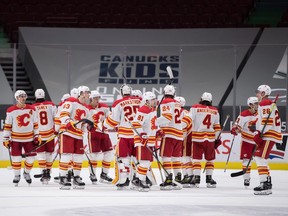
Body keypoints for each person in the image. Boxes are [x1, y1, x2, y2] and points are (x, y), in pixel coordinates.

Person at [104, 84, 141, 190]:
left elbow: (113, 121)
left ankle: (125, 180)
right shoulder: (140, 101)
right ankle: (138, 179)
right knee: (138, 159)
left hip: (125, 135)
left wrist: (105, 124)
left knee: (124, 159)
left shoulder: (118, 103)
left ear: (121, 92)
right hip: (138, 134)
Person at [2, 90, 40, 186]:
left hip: (29, 139)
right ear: (17, 98)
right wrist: (6, 138)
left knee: (31, 159)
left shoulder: (32, 109)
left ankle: (26, 173)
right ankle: (17, 175)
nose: (23, 98)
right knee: (16, 158)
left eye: (24, 96)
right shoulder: (11, 110)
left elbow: (35, 124)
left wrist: (37, 135)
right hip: (16, 139)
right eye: (20, 96)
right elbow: (8, 125)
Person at [186, 92, 221, 188]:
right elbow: (217, 127)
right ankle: (209, 179)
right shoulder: (215, 110)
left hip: (197, 138)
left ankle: (196, 178)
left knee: (196, 159)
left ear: (201, 99)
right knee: (210, 159)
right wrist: (216, 139)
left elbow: (188, 120)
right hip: (210, 139)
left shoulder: (195, 107)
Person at [251, 85, 282, 195]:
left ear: (263, 93)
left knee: (259, 157)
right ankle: (267, 183)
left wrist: (259, 133)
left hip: (268, 135)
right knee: (261, 158)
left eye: (258, 92)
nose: (257, 94)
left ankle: (264, 184)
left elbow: (267, 122)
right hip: (269, 134)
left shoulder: (264, 103)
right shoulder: (268, 103)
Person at [58, 85, 90, 190]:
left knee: (79, 157)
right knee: (66, 155)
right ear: (81, 93)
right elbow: (63, 115)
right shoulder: (71, 101)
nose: (88, 94)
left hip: (78, 135)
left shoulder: (86, 108)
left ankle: (76, 177)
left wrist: (88, 128)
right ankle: (63, 177)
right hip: (68, 133)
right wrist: (69, 122)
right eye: (87, 92)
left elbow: (84, 124)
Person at [156, 85, 183, 190]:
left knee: (166, 157)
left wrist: (154, 121)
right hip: (179, 134)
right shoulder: (177, 103)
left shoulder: (166, 101)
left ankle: (168, 179)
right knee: (176, 157)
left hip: (169, 134)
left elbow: (167, 117)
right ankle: (177, 178)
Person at [131, 91, 158, 192]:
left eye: (154, 99)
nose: (154, 101)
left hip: (149, 140)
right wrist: (142, 134)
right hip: (142, 141)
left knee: (148, 162)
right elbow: (136, 123)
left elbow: (153, 124)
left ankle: (137, 179)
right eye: (152, 99)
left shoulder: (152, 110)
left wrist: (158, 131)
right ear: (146, 101)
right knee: (145, 162)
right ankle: (141, 181)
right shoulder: (143, 110)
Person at [230, 97, 259, 188]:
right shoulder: (243, 115)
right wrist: (235, 130)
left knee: (261, 160)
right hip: (247, 141)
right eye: (255, 104)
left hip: (259, 142)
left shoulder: (261, 114)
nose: (258, 105)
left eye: (258, 103)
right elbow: (236, 127)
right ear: (250, 105)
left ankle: (266, 178)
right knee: (246, 160)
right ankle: (247, 178)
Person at [87, 90, 114, 184]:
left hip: (104, 133)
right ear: (91, 99)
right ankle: (93, 174)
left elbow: (110, 117)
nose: (97, 100)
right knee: (94, 155)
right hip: (94, 133)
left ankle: (104, 174)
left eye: (98, 98)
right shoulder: (87, 108)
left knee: (109, 153)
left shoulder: (104, 106)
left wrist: (106, 120)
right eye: (95, 98)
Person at [33, 89, 57, 184]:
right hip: (50, 133)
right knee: (49, 154)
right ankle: (48, 172)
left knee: (41, 154)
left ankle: (43, 172)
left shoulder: (33, 107)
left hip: (39, 134)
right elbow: (57, 117)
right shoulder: (51, 104)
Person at [175, 96, 193, 187]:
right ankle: (186, 175)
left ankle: (189, 175)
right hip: (182, 136)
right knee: (182, 157)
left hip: (185, 136)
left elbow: (185, 124)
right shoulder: (183, 111)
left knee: (185, 156)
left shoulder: (184, 112)